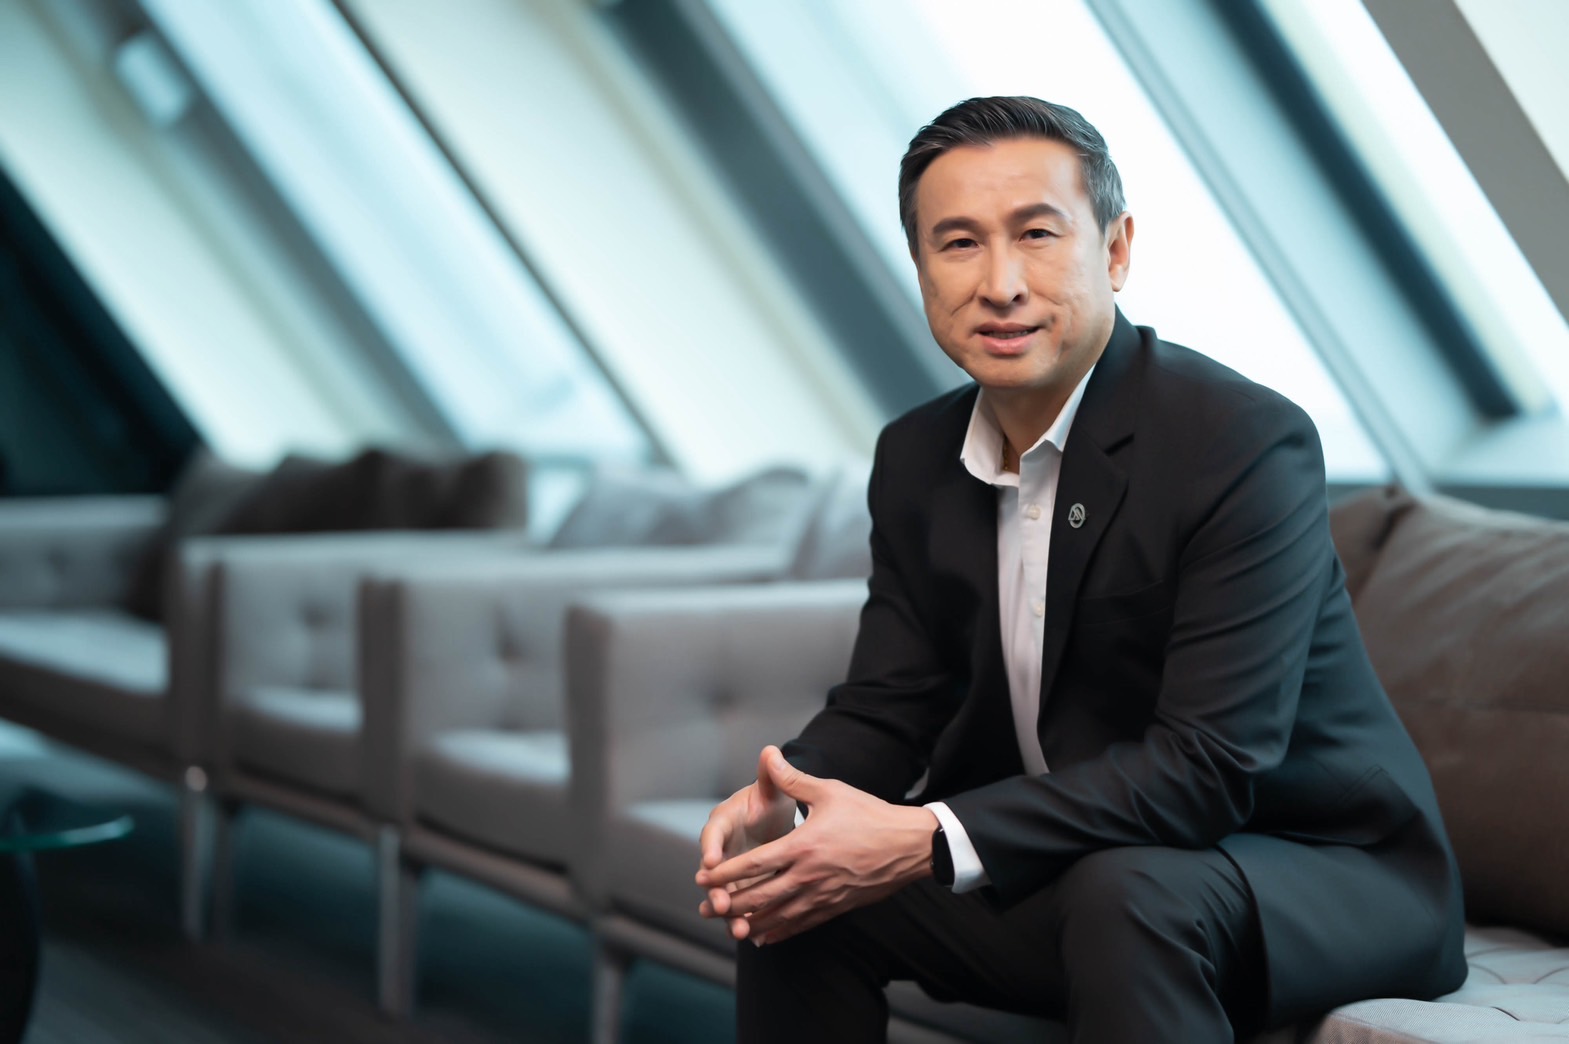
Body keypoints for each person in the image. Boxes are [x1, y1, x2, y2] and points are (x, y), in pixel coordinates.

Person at [696, 96, 1466, 1043]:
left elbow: (1208, 767)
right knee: (794, 891)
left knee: (1125, 893)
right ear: (921, 267)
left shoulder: (1237, 442)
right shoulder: (914, 455)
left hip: (1313, 871)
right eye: (958, 244)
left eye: (1036, 234)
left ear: (1114, 249)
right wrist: (789, 798)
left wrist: (928, 835)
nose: (1000, 284)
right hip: (1091, 863)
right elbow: (893, 701)